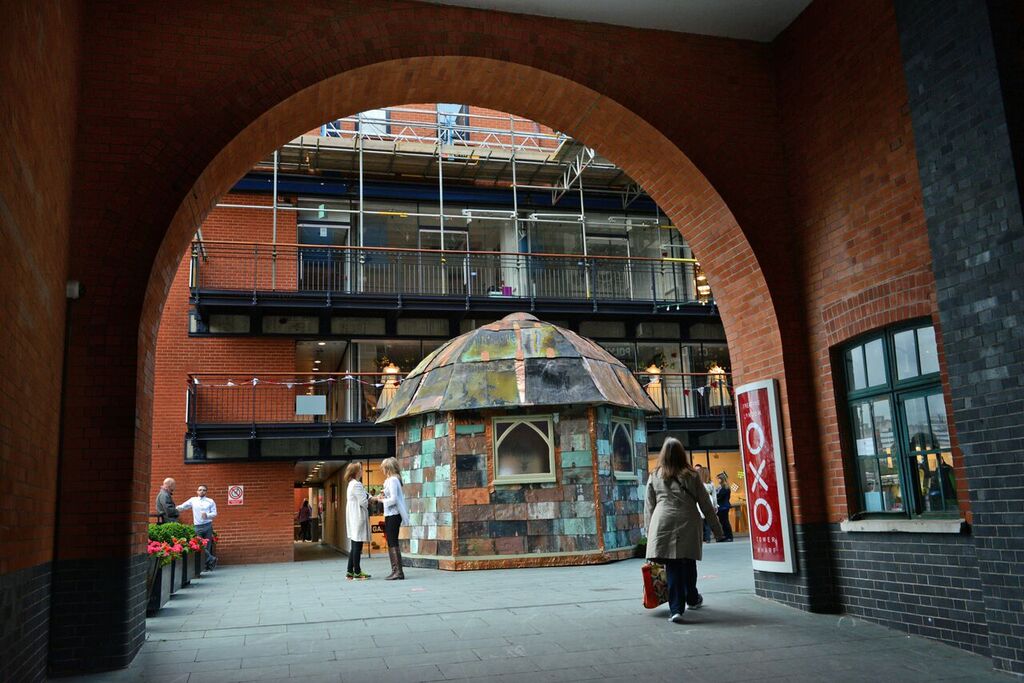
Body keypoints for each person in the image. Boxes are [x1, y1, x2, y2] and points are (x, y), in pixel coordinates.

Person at [645, 437, 725, 624]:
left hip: (663, 522)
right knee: (688, 561)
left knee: (673, 565)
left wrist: (649, 533)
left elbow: (649, 506)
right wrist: (718, 531)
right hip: (688, 521)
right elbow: (705, 504)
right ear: (682, 454)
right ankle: (690, 598)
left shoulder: (655, 475)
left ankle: (677, 609)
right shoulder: (692, 475)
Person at [378, 457, 410, 580]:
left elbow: (394, 499)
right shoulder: (392, 480)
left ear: (388, 468)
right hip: (391, 514)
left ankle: (398, 571)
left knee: (392, 542)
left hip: (393, 514)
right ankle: (395, 570)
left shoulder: (392, 480)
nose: (383, 471)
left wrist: (381, 500)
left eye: (384, 468)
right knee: (391, 542)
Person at [345, 462, 371, 580]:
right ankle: (357, 572)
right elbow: (364, 502)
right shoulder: (357, 484)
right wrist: (371, 501)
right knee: (357, 545)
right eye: (360, 469)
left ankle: (350, 571)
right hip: (358, 517)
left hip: (353, 516)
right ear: (356, 472)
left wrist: (371, 497)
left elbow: (365, 495)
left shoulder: (351, 484)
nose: (361, 471)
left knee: (354, 544)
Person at [695, 465, 715, 543]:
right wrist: (715, 505)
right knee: (707, 521)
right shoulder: (711, 484)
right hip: (709, 501)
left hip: (700, 502)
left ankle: (702, 537)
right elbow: (714, 496)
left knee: (701, 521)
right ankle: (707, 538)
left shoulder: (698, 483)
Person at [715, 472, 734, 542]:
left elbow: (719, 497)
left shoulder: (725, 487)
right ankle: (725, 536)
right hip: (721, 507)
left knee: (725, 522)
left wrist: (714, 497)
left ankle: (729, 536)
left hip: (724, 507)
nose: (718, 480)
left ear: (722, 479)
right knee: (722, 522)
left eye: (719, 479)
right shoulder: (720, 487)